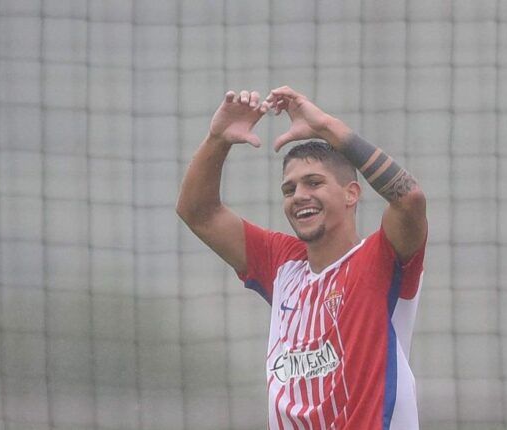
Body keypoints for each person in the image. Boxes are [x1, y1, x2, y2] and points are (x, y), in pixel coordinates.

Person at [176, 86, 427, 429]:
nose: (299, 196)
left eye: (314, 182)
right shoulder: (283, 263)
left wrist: (326, 126)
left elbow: (409, 198)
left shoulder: (381, 257)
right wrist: (217, 139)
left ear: (351, 193)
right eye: (289, 189)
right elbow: (198, 212)